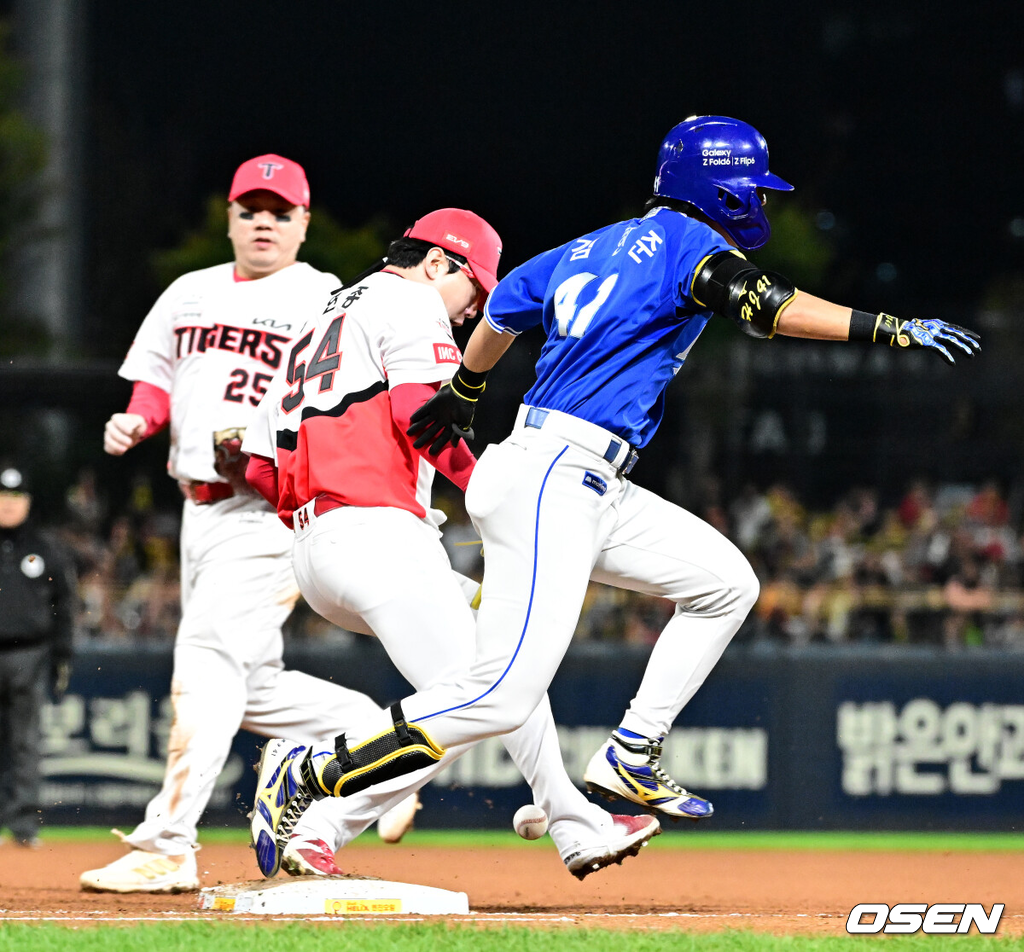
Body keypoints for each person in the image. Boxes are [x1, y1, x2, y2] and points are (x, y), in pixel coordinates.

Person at [249, 116, 979, 836]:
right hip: (553, 475)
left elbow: (502, 311)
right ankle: (313, 772)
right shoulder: (691, 243)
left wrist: (468, 388)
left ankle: (631, 752)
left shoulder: (586, 247)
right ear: (718, 189)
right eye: (750, 187)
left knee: (727, 584)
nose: (759, 200)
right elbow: (768, 306)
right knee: (501, 695)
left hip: (584, 479)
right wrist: (883, 325)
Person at [243, 208, 659, 880]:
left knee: (502, 665)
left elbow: (261, 469)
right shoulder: (412, 303)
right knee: (479, 694)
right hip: (378, 537)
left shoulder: (312, 323)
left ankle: (573, 823)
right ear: (437, 263)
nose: (474, 313)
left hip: (318, 548)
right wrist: (490, 489)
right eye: (476, 290)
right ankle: (311, 786)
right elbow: (422, 416)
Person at [80, 154, 417, 894]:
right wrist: (139, 419)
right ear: (230, 219)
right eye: (250, 208)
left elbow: (344, 396)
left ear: (302, 224)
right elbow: (156, 377)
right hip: (197, 510)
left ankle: (168, 842)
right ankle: (380, 741)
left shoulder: (322, 295)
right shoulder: (188, 292)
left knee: (205, 659)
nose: (263, 221)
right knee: (252, 683)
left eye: (280, 210)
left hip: (268, 510)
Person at [0, 465, 75, 847]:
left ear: (28, 501)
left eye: (17, 497)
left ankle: (24, 826)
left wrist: (63, 654)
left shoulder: (45, 548)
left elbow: (64, 604)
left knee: (25, 741)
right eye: (4, 496)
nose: (9, 504)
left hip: (30, 654)